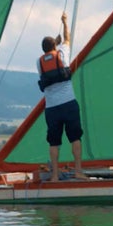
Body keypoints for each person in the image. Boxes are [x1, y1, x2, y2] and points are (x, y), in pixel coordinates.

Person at [38, 12, 86, 181]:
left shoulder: (39, 62)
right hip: (68, 104)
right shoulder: (63, 53)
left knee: (54, 142)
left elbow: (50, 53)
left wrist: (54, 44)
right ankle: (78, 171)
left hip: (52, 108)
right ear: (55, 46)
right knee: (75, 137)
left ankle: (55, 176)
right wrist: (65, 22)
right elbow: (67, 38)